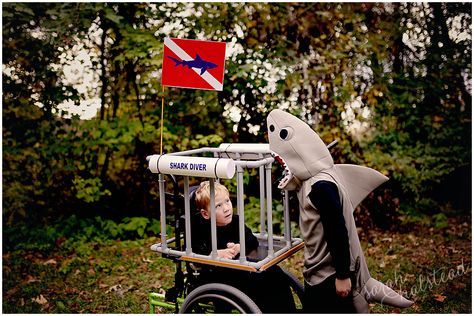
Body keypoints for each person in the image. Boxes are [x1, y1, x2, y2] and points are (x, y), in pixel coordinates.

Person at [190, 180, 297, 314]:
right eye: (218, 206)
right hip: (219, 276)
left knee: (275, 273)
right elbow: (194, 252)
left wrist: (241, 246)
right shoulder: (200, 229)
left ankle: (290, 312)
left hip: (240, 268)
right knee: (262, 282)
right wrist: (215, 253)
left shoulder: (235, 221)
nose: (226, 208)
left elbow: (252, 239)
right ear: (206, 214)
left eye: (227, 201)